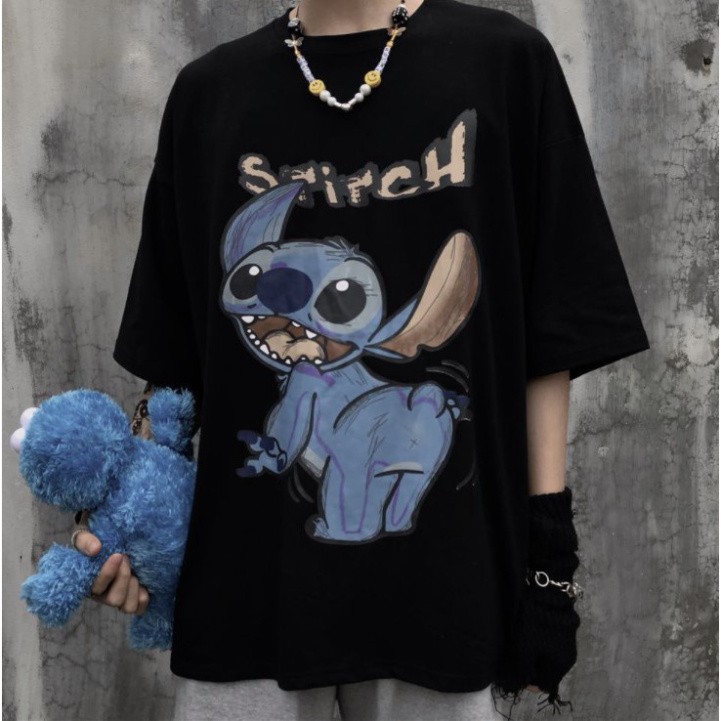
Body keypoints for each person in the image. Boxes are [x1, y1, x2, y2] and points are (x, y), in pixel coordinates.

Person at [66, 0, 651, 719]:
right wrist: (125, 520)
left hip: (444, 588)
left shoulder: (503, 64)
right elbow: (177, 358)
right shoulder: (210, 93)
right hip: (249, 590)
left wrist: (549, 560)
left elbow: (549, 334)